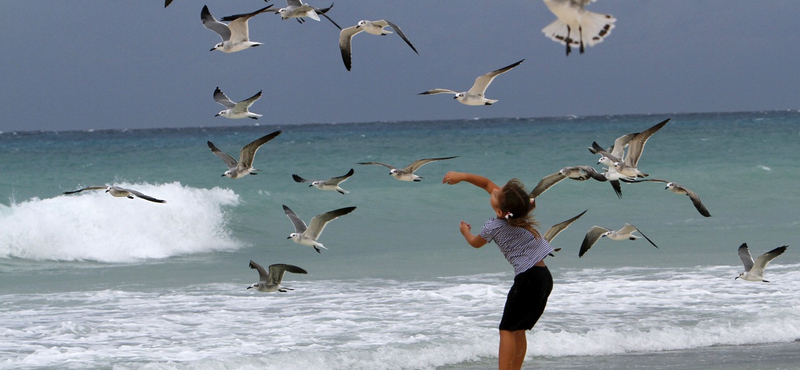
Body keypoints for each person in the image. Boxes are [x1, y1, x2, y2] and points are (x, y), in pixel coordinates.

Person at [442, 171, 554, 370]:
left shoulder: (494, 226)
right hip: (543, 277)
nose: (494, 191)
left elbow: (475, 244)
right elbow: (486, 184)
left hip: (527, 279)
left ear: (501, 211)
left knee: (506, 329)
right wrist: (463, 177)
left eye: (496, 194)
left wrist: (465, 231)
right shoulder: (520, 213)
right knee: (518, 330)